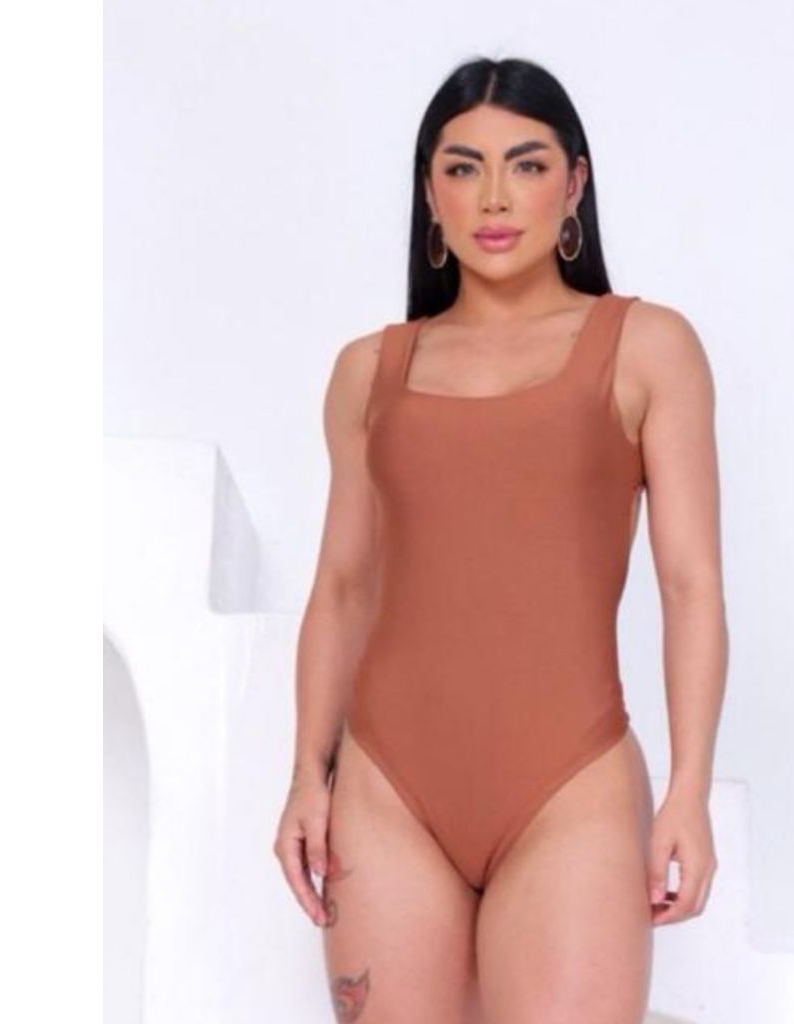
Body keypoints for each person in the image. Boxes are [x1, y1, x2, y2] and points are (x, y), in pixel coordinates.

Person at [273, 56, 728, 1024]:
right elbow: (343, 586)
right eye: (461, 167)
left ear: (574, 183)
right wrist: (307, 775)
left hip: (570, 783)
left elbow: (690, 585)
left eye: (526, 165)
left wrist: (688, 789)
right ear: (427, 192)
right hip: (386, 787)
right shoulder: (369, 371)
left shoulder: (648, 347)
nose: (492, 197)